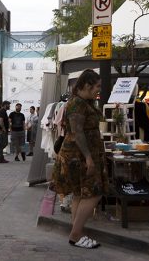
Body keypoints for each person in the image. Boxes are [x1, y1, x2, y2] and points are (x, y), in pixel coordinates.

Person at [52, 69, 108, 249]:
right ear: (87, 85)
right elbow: (77, 133)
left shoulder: (83, 102)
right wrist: (89, 158)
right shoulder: (77, 104)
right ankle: (76, 234)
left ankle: (76, 233)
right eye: (97, 86)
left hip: (79, 155)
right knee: (94, 193)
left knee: (78, 194)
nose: (99, 89)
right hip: (79, 157)